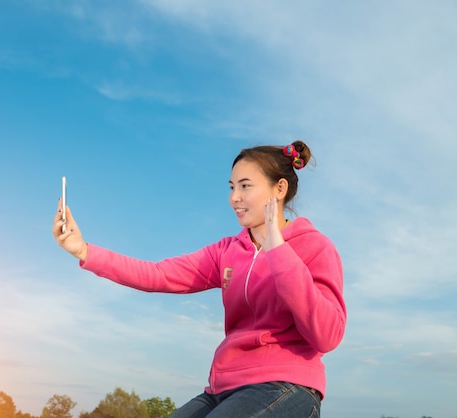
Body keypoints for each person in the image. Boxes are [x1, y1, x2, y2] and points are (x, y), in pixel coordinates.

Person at [53, 141, 346, 418]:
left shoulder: (315, 247)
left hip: (288, 386)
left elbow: (327, 334)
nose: (234, 198)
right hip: (224, 388)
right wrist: (84, 250)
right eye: (232, 187)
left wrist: (278, 251)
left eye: (245, 186)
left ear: (279, 189)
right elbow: (158, 274)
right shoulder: (227, 251)